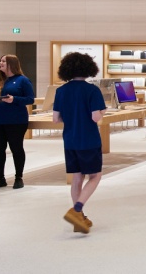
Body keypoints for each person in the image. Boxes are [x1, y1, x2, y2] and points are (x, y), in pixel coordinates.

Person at [53, 51, 106, 234]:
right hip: (89, 139)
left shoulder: (60, 91)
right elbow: (95, 117)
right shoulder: (92, 90)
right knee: (95, 176)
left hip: (70, 140)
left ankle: (80, 219)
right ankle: (77, 209)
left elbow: (56, 119)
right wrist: (103, 112)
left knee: (77, 178)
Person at [0, 54, 35, 190]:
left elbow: (30, 99)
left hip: (16, 121)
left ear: (11, 64)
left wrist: (14, 99)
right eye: (0, 61)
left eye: (3, 61)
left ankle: (18, 177)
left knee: (16, 148)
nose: (0, 63)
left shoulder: (23, 80)